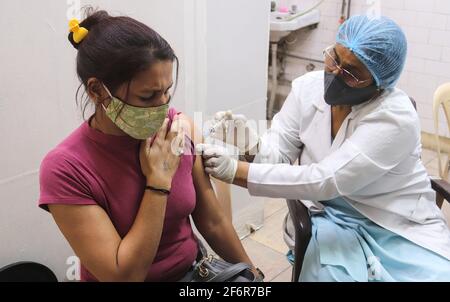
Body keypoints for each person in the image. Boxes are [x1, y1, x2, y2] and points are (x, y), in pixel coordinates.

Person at [196, 15, 450, 281]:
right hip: (331, 215)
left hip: (393, 220)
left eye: (352, 74)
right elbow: (279, 154)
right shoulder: (308, 88)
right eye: (334, 59)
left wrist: (236, 170)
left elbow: (326, 179)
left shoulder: (394, 118)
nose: (335, 74)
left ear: (379, 82)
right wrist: (252, 145)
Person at [38, 8, 262, 282]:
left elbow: (213, 222)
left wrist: (254, 276)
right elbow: (124, 276)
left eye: (167, 91)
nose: (162, 107)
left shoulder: (177, 129)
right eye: (147, 96)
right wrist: (158, 182)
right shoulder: (65, 168)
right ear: (97, 90)